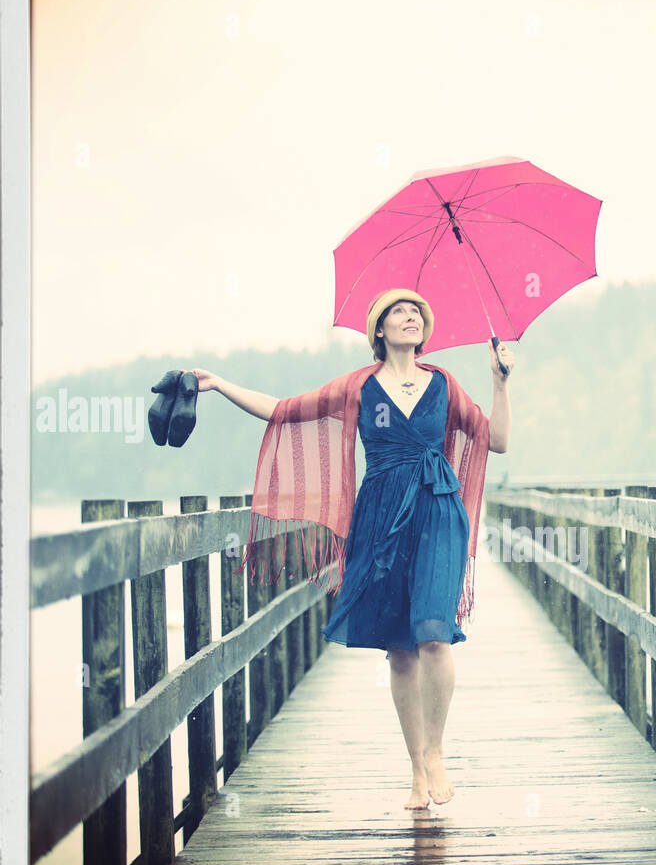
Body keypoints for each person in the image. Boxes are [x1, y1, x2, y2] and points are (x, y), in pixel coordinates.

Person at [192, 287, 515, 811]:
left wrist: (500, 383)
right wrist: (219, 384)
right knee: (400, 648)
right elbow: (283, 410)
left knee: (434, 634)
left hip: (438, 510)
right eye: (398, 313)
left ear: (424, 328)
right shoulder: (358, 387)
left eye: (417, 312)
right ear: (379, 331)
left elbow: (497, 441)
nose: (410, 317)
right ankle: (415, 768)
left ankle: (435, 752)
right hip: (381, 518)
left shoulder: (445, 384)